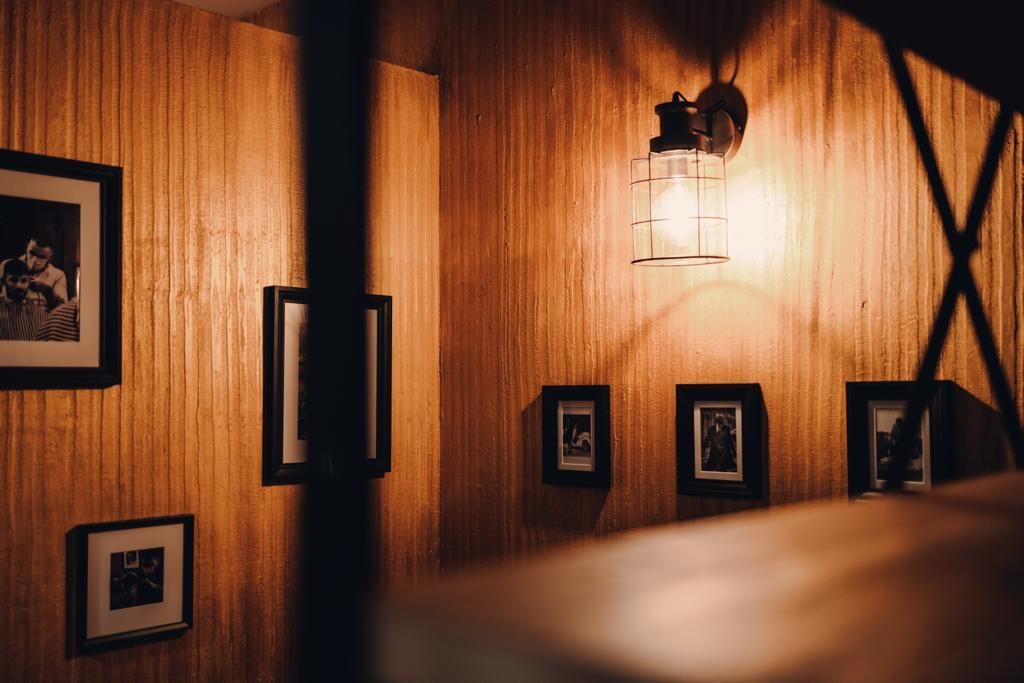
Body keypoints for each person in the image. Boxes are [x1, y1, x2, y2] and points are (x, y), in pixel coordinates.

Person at [0, 236, 68, 310]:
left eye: (41, 257)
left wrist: (46, 290)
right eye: (32, 253)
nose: (34, 260)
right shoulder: (7, 265)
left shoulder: (57, 275)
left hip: (41, 315)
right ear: (27, 247)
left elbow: (63, 309)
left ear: (50, 257)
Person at [0, 259, 49, 340]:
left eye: (23, 281)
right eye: (13, 280)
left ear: (29, 282)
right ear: (3, 281)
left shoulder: (40, 315)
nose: (19, 286)